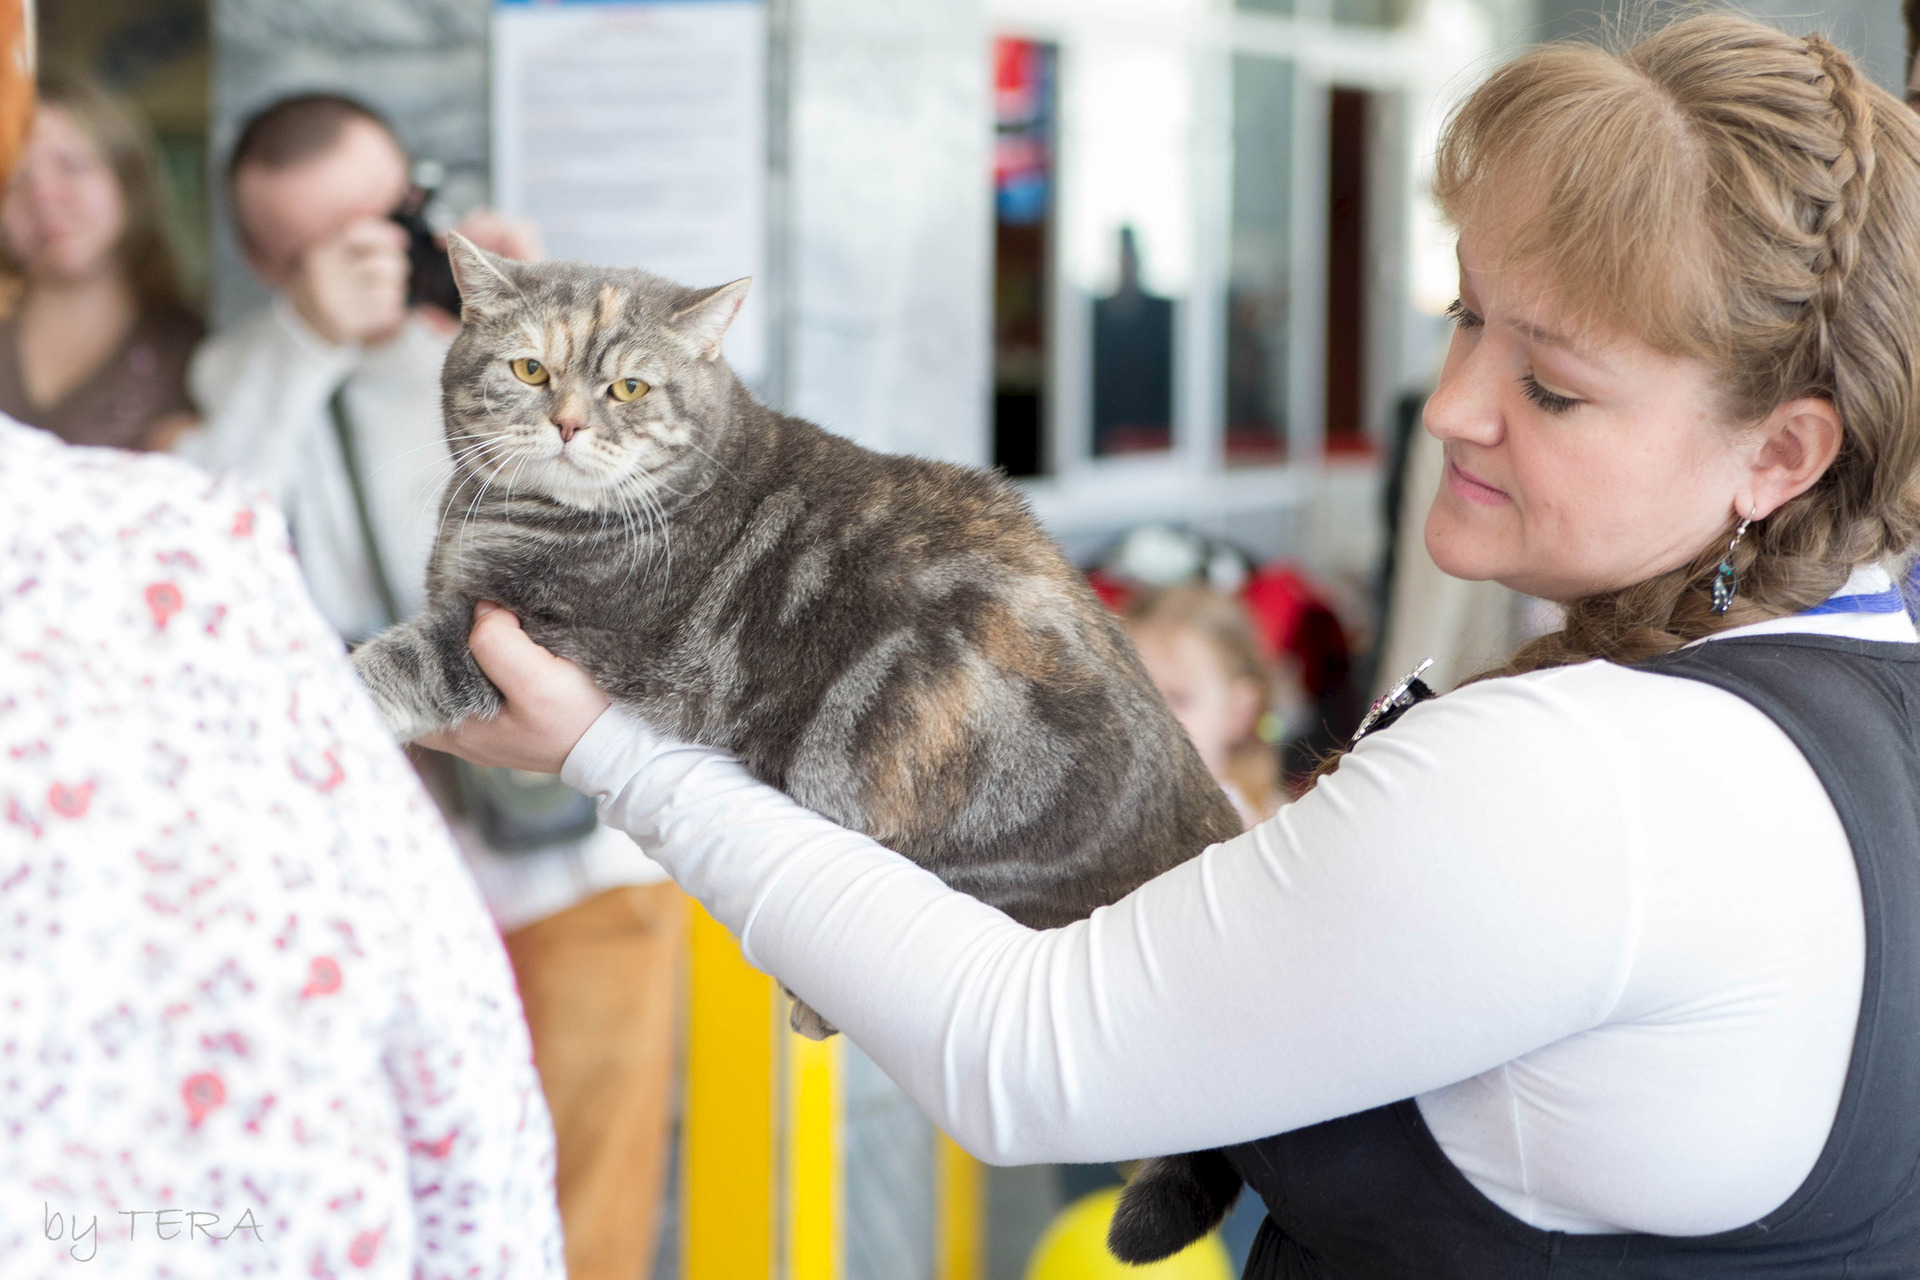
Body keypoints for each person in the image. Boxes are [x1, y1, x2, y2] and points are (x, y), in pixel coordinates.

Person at [427, 15, 1920, 1275]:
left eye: (1555, 388)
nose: (1452, 406)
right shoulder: (1861, 702)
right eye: (1468, 318)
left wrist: (613, 751)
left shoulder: (1587, 775)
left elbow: (1022, 1056)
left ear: (1781, 452)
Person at [176, 92, 681, 1280]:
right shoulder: (246, 367)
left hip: (569, 843)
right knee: (409, 1203)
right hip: (370, 872)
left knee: (587, 1194)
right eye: (323, 244)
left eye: (390, 219)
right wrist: (306, 340)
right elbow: (193, 538)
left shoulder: (517, 334)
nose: (375, 257)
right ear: (267, 262)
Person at [0, 67, 203, 451]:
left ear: (127, 177)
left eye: (72, 166)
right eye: (14, 178)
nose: (43, 196)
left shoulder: (196, 351)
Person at [1125, 585, 1292, 824]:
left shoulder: (1252, 824)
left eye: (1179, 698)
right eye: (1134, 696)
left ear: (1239, 712)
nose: (1150, 716)